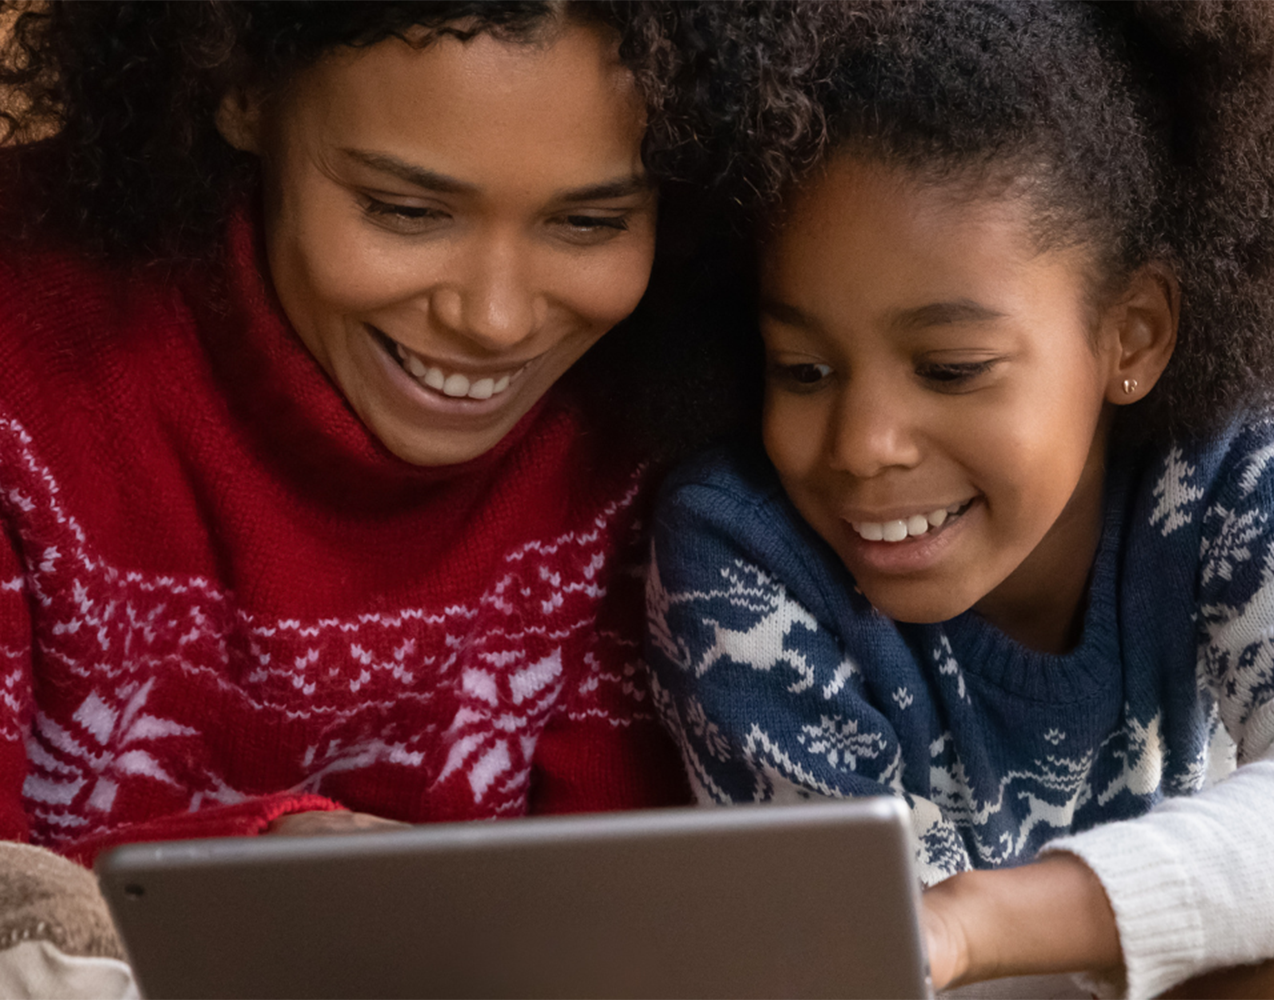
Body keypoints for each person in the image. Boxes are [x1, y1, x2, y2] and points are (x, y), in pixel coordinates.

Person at [0, 0, 749, 991]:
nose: (493, 318)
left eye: (589, 222)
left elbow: (620, 911)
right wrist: (284, 860)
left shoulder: (668, 397)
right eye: (406, 211)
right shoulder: (26, 349)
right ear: (242, 92)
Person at [645, 0, 1274, 996]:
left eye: (949, 368)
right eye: (802, 369)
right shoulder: (738, 561)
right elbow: (856, 963)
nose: (862, 447)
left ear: (1133, 335)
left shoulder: (1235, 443)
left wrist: (975, 920)